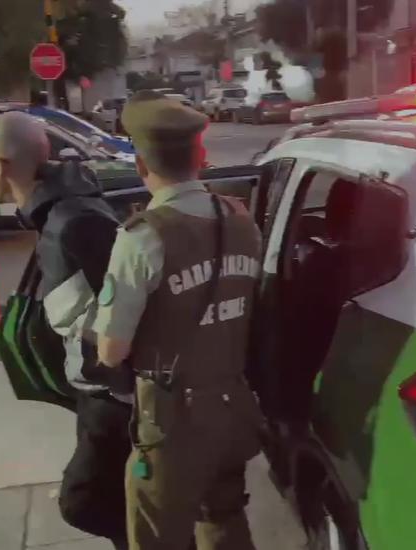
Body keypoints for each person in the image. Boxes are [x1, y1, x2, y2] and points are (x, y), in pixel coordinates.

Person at [89, 91, 266, 549]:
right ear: (201, 158)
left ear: (141, 166)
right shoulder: (242, 220)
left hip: (173, 422)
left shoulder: (143, 238)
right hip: (233, 408)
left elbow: (112, 351)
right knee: (225, 521)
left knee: (155, 536)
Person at [0, 111, 131, 550]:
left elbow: (127, 311)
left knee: (84, 503)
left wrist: (120, 388)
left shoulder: (75, 222)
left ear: (0, 166)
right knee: (113, 503)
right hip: (94, 394)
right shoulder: (56, 212)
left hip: (113, 400)